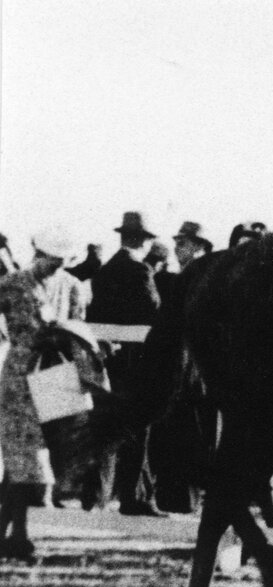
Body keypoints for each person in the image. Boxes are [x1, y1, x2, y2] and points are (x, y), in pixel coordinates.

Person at [0, 228, 86, 559]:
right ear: (39, 255)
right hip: (21, 373)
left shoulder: (73, 286)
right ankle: (18, 535)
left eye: (61, 262)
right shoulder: (12, 284)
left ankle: (13, 534)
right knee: (26, 456)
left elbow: (78, 327)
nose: (55, 267)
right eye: (51, 261)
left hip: (56, 370)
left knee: (42, 457)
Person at [87, 211, 162, 516]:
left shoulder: (105, 270)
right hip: (136, 361)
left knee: (105, 428)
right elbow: (153, 310)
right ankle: (134, 498)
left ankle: (95, 497)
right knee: (138, 429)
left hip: (109, 358)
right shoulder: (140, 270)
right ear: (143, 241)